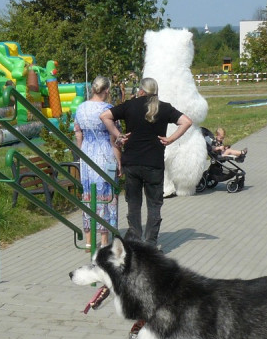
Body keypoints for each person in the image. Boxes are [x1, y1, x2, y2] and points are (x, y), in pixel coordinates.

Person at [100, 77, 192, 245]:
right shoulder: (164, 108)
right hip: (154, 163)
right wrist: (170, 139)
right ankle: (150, 243)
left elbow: (105, 116)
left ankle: (134, 240)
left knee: (134, 204)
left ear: (141, 90)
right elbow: (186, 121)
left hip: (132, 163)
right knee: (154, 205)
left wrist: (118, 135)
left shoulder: (130, 105)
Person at [74, 76, 120, 248]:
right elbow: (114, 138)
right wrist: (119, 160)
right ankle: (104, 239)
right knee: (106, 195)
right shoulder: (108, 109)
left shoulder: (81, 108)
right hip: (104, 154)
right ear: (106, 90)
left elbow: (78, 134)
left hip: (86, 153)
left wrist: (81, 153)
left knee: (88, 195)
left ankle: (88, 239)